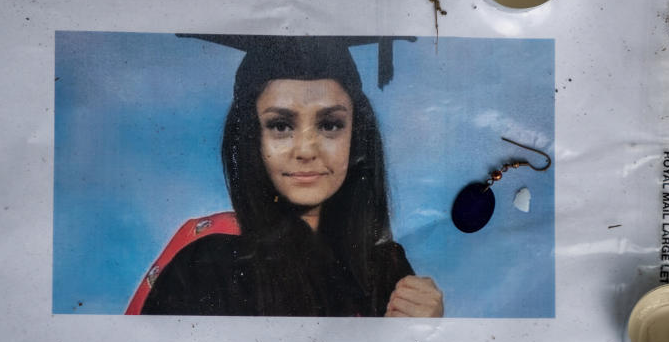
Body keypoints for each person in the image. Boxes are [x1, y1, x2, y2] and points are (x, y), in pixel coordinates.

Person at [131, 36, 443, 318]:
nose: (306, 150)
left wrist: (423, 337)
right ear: (251, 138)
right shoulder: (207, 264)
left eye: (330, 125)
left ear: (357, 136)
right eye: (280, 126)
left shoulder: (387, 271)